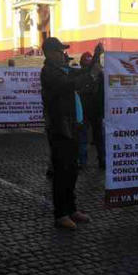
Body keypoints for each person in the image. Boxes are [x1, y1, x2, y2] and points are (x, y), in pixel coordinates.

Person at [41, 37, 99, 230]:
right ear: (49, 53)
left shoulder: (62, 70)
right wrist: (90, 76)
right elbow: (69, 84)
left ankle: (72, 209)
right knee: (62, 173)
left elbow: (82, 72)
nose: (63, 54)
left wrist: (97, 56)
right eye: (59, 51)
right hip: (61, 129)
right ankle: (61, 214)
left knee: (72, 171)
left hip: (74, 126)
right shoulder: (49, 72)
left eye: (63, 51)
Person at [79, 48, 106, 169]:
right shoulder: (83, 75)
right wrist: (97, 54)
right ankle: (86, 160)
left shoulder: (100, 76)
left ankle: (100, 159)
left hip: (95, 110)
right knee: (86, 137)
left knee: (96, 138)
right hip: (87, 110)